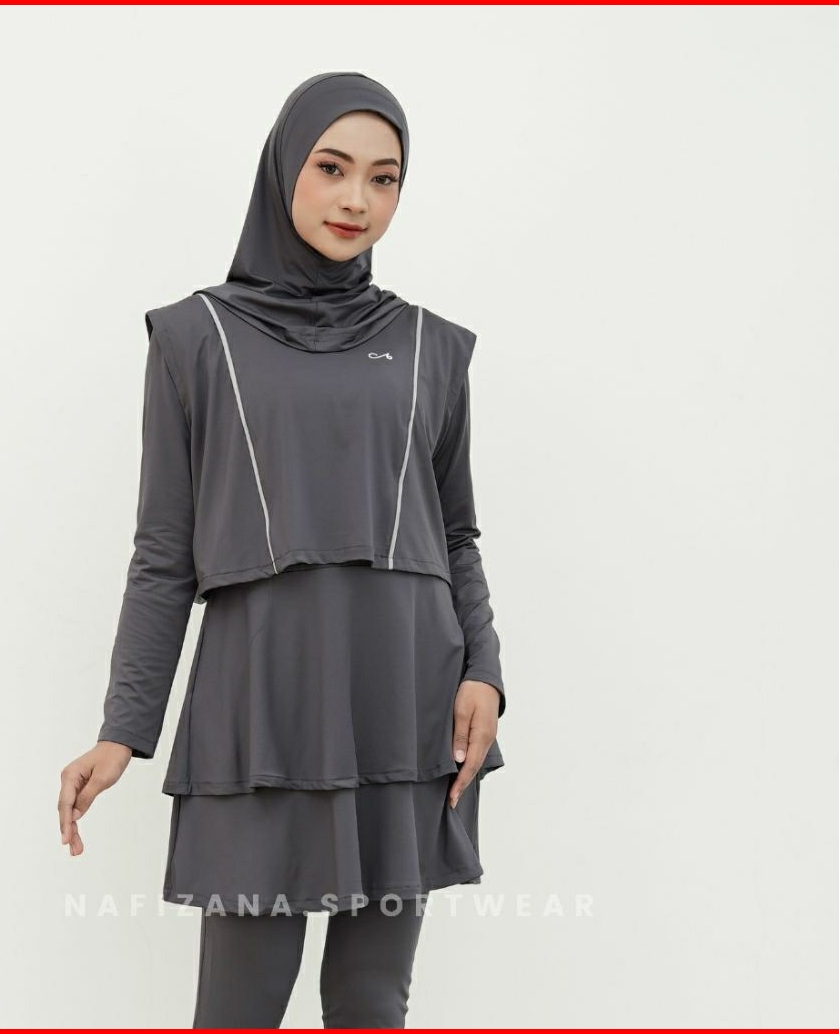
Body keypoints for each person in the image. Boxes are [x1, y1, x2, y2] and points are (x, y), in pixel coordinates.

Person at [58, 70, 507, 1029]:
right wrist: (123, 727)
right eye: (331, 168)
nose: (357, 199)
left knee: (371, 1001)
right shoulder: (197, 338)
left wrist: (487, 674)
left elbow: (455, 531)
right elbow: (163, 552)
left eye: (383, 178)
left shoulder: (431, 347)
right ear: (282, 170)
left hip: (405, 698)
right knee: (238, 1004)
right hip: (260, 702)